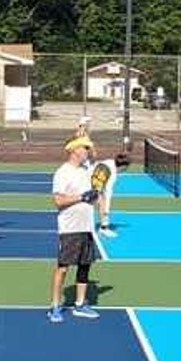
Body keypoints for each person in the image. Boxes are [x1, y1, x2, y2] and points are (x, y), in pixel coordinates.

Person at [49, 136, 101, 323]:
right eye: (85, 148)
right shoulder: (62, 173)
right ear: (75, 150)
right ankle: (55, 306)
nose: (88, 151)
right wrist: (81, 197)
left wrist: (93, 198)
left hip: (86, 226)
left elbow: (90, 198)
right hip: (69, 228)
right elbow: (58, 200)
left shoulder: (85, 171)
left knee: (84, 266)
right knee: (63, 269)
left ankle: (80, 304)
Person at [92, 153, 131, 237]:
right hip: (88, 184)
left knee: (99, 199)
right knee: (102, 201)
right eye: (126, 167)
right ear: (123, 166)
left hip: (89, 179)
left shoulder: (109, 162)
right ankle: (103, 228)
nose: (126, 169)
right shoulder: (112, 173)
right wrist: (106, 211)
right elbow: (108, 193)